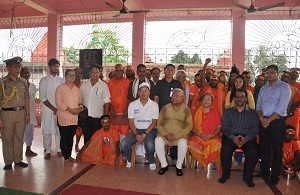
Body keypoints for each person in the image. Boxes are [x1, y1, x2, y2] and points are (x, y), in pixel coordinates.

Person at [256, 64, 291, 185]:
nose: (269, 75)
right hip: (263, 121)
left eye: (272, 72)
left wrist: (269, 120)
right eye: (267, 73)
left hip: (276, 122)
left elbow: (282, 107)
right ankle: (264, 172)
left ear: (277, 74)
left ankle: (275, 176)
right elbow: (258, 105)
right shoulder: (263, 88)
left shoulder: (284, 87)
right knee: (264, 148)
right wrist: (261, 118)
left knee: (276, 149)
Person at [218, 89, 259, 187]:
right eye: (237, 97)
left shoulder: (253, 113)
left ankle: (247, 177)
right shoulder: (228, 112)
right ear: (234, 99)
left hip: (247, 137)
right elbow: (225, 127)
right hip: (231, 136)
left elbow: (255, 128)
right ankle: (225, 175)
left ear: (246, 99)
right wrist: (233, 137)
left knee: (253, 152)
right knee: (225, 150)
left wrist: (246, 138)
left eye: (242, 97)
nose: (239, 99)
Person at [0, 57, 30, 170]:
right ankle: (8, 162)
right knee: (7, 138)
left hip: (21, 113)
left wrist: (27, 114)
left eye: (19, 67)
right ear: (8, 68)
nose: (17, 69)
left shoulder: (23, 82)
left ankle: (18, 160)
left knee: (19, 138)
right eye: (15, 67)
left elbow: (27, 99)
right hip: (7, 114)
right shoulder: (2, 82)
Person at [121, 82, 159, 170]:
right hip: (136, 129)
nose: (143, 93)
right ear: (138, 93)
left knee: (149, 144)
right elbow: (131, 122)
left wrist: (145, 134)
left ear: (149, 92)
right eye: (141, 90)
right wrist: (136, 134)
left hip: (150, 130)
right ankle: (130, 159)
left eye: (146, 90)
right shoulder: (132, 104)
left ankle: (151, 160)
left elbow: (154, 123)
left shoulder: (154, 105)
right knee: (123, 144)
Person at [155, 88, 193, 176]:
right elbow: (159, 123)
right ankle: (164, 165)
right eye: (173, 96)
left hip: (180, 136)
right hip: (165, 135)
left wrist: (176, 135)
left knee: (183, 144)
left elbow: (189, 125)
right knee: (157, 141)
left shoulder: (186, 109)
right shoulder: (165, 108)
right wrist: (165, 134)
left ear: (182, 98)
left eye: (177, 96)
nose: (174, 98)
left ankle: (178, 167)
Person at [188, 93, 221, 173]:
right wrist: (200, 134)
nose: (206, 101)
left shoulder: (215, 111)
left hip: (212, 137)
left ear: (212, 101)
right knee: (191, 144)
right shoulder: (196, 111)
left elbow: (219, 127)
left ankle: (203, 163)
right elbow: (192, 127)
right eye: (205, 99)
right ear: (202, 101)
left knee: (217, 144)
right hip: (199, 136)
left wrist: (212, 135)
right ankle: (204, 163)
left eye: (209, 99)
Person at [39, 58, 65, 160]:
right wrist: (54, 109)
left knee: (59, 130)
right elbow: (43, 97)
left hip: (60, 110)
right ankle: (48, 151)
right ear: (49, 67)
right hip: (48, 109)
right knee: (47, 131)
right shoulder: (44, 80)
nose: (56, 68)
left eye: (57, 66)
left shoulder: (62, 80)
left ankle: (59, 150)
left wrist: (60, 109)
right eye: (54, 66)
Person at [56, 69, 82, 167]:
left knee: (71, 137)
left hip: (74, 117)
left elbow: (80, 101)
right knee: (65, 137)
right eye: (70, 75)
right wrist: (70, 110)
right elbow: (58, 103)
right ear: (65, 76)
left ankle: (69, 155)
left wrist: (80, 108)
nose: (72, 77)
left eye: (73, 75)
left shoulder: (76, 89)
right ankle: (66, 158)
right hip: (64, 117)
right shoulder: (60, 88)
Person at [81, 65, 110, 144]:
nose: (94, 74)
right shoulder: (84, 84)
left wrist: (105, 117)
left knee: (97, 138)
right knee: (87, 137)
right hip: (85, 117)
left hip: (97, 117)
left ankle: (97, 155)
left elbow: (107, 102)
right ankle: (87, 155)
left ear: (99, 73)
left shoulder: (104, 85)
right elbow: (80, 99)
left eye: (96, 72)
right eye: (93, 72)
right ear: (89, 73)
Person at [108, 64, 131, 141]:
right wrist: (111, 110)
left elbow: (130, 98)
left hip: (125, 114)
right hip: (114, 114)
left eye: (120, 70)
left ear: (123, 71)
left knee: (124, 137)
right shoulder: (110, 83)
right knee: (114, 137)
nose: (118, 72)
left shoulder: (128, 82)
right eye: (117, 70)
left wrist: (127, 110)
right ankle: (115, 152)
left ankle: (123, 152)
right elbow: (107, 99)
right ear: (114, 71)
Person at [20, 67, 37, 156]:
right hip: (21, 113)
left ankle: (28, 149)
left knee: (30, 132)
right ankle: (18, 153)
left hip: (31, 113)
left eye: (28, 72)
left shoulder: (33, 86)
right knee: (20, 133)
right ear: (20, 74)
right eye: (24, 73)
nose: (26, 74)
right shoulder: (18, 86)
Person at [281, 72, 300, 140]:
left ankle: (292, 147)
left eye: (286, 78)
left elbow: (296, 103)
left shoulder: (294, 90)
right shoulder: (277, 90)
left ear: (289, 79)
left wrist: (290, 112)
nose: (283, 80)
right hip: (279, 116)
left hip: (290, 115)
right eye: (282, 79)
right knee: (280, 134)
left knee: (291, 132)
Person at [74, 67, 83, 152]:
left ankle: (76, 145)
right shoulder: (69, 84)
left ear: (81, 75)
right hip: (70, 110)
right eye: (75, 73)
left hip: (80, 111)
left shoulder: (83, 85)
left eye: (79, 73)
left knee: (79, 130)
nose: (77, 75)